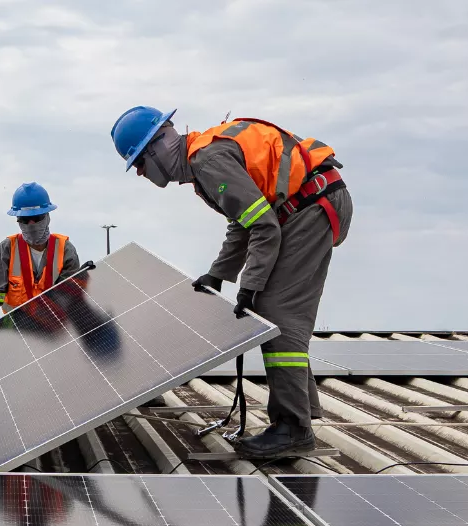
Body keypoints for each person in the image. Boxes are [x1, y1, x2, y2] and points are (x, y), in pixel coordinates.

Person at [110, 106, 353, 459]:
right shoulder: (203, 161)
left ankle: (293, 428)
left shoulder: (207, 162)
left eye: (140, 163)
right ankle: (300, 415)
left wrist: (250, 285)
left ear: (157, 148)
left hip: (312, 205)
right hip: (311, 201)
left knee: (276, 314)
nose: (140, 173)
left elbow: (263, 226)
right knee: (277, 315)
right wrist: (219, 273)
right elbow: (244, 221)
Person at [0, 182, 84, 337]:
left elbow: (70, 298)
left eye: (36, 218)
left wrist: (83, 279)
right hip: (17, 334)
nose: (31, 224)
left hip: (56, 334)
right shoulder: (7, 249)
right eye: (25, 220)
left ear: (47, 217)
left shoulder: (64, 249)